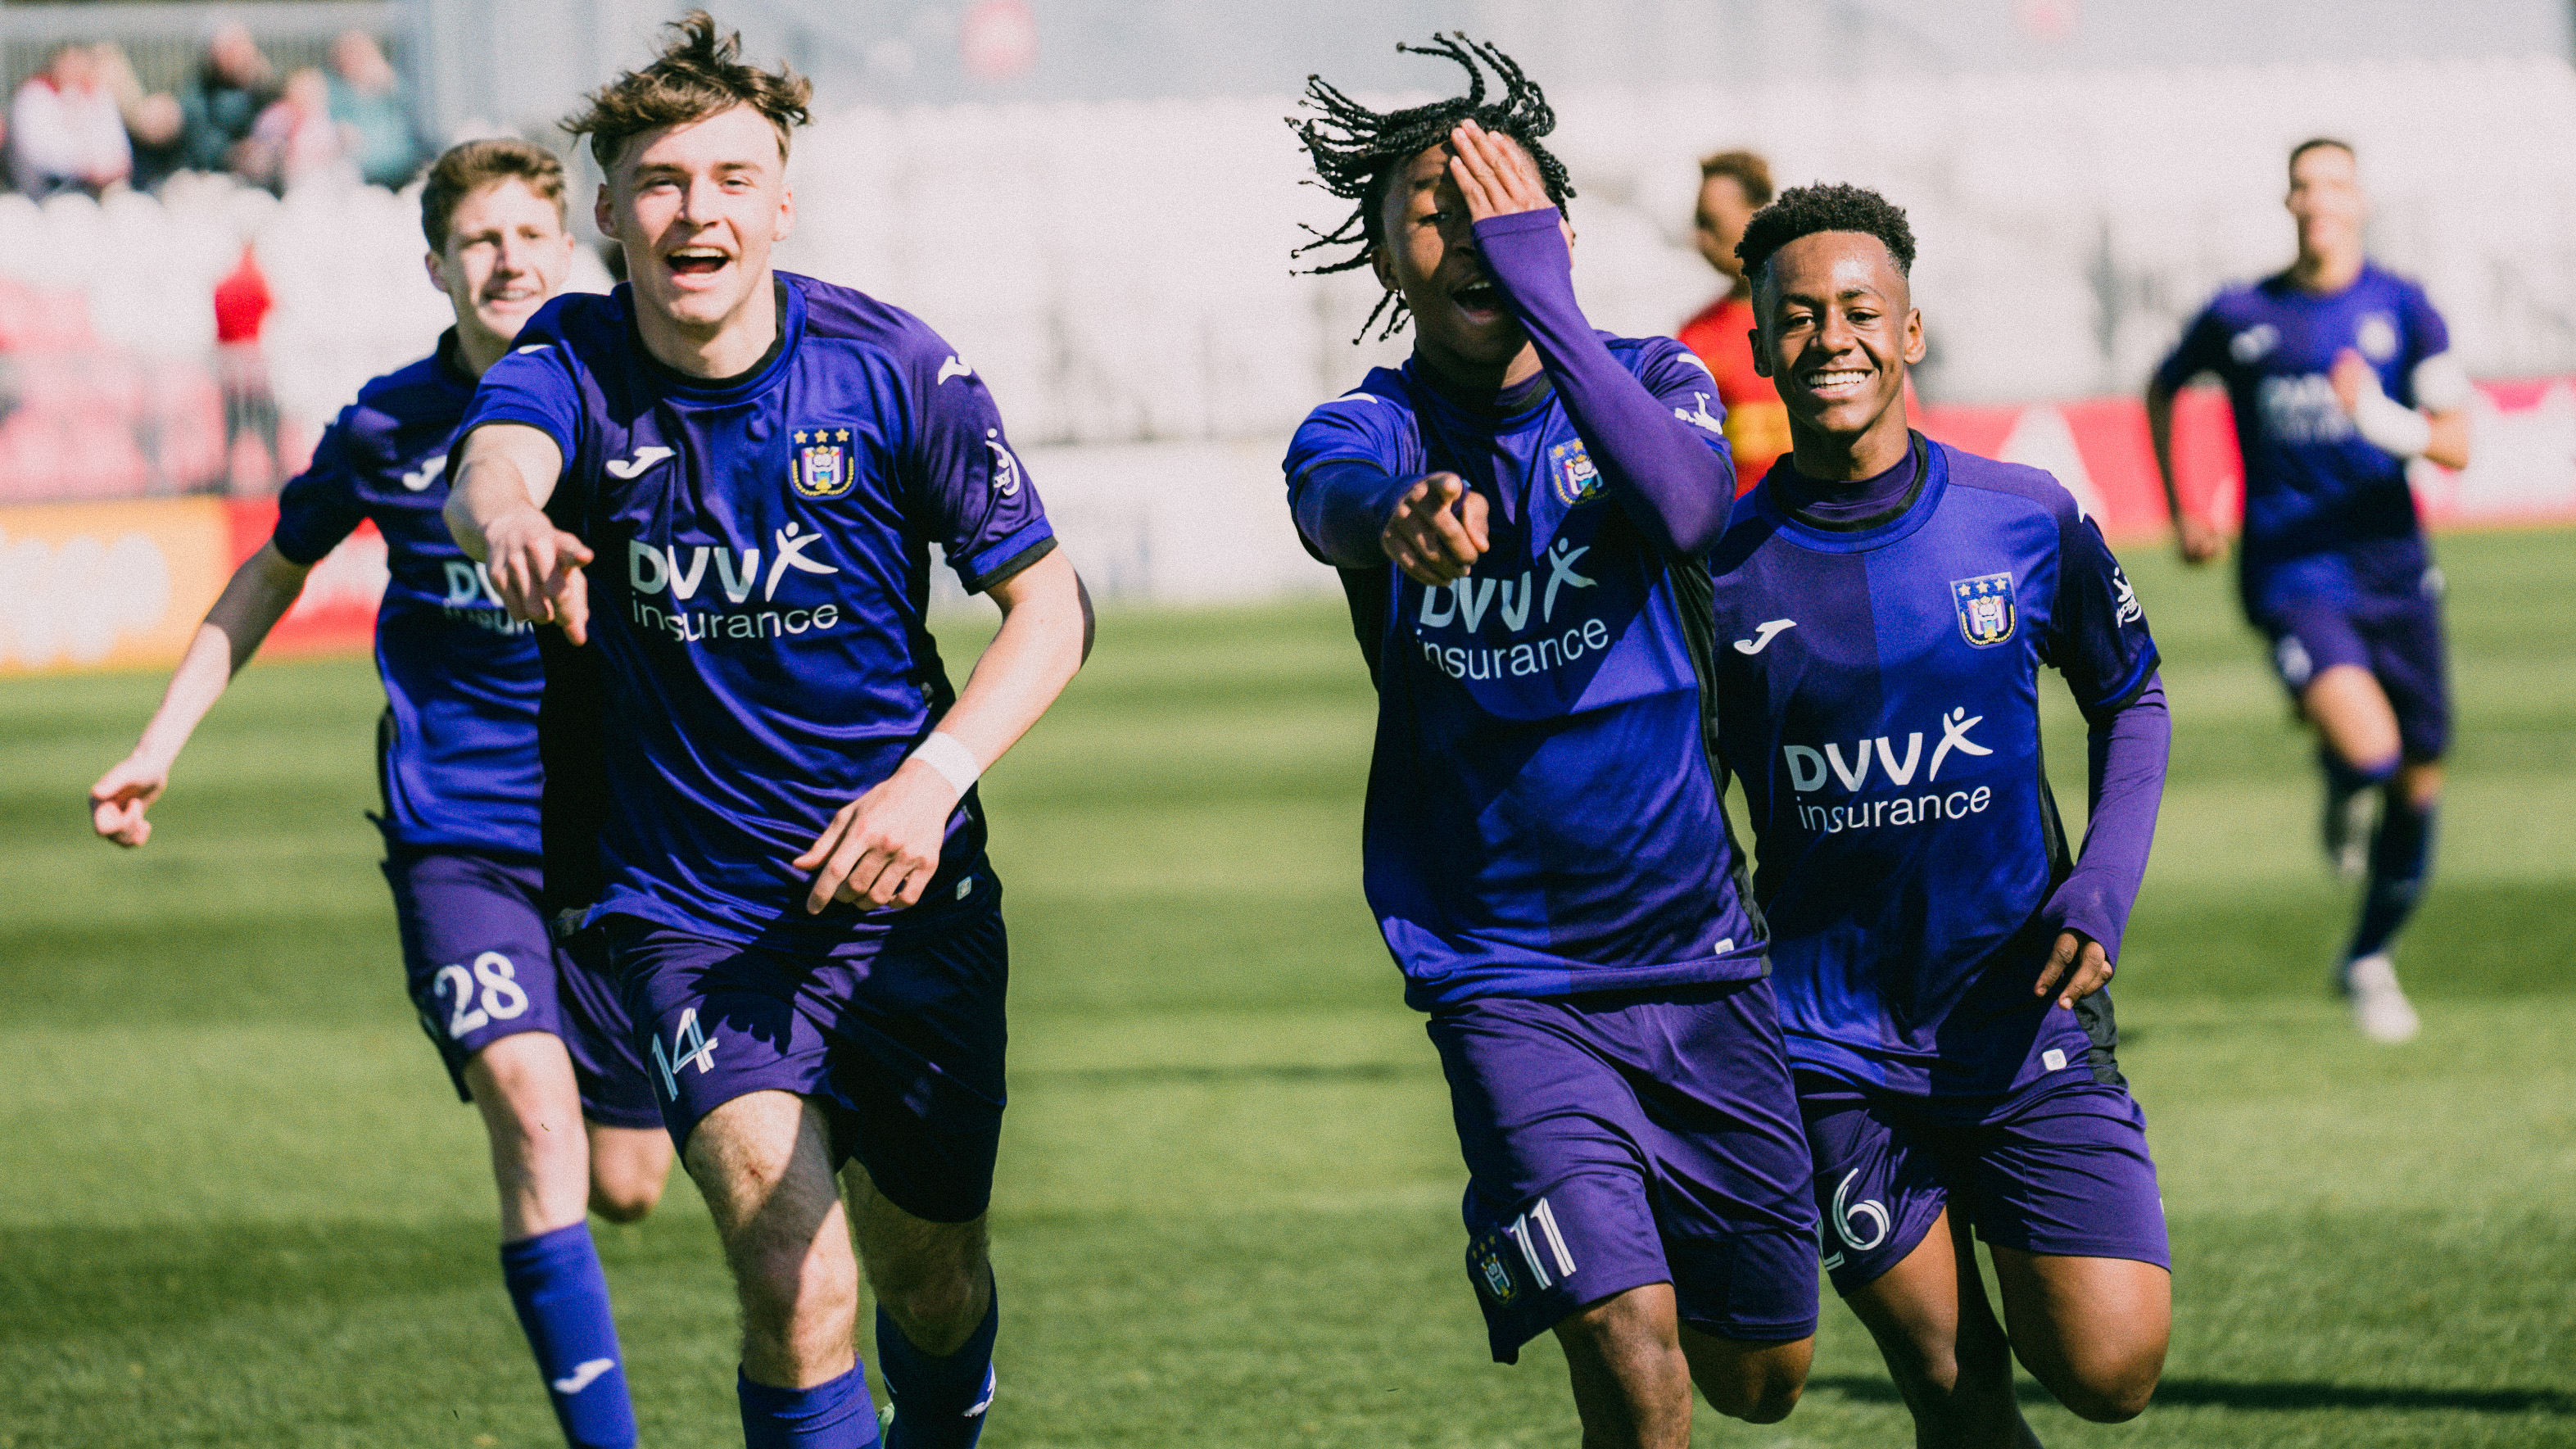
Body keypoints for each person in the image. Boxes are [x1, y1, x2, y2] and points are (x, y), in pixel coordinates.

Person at [444, 15, 1090, 1448]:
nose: (698, 211)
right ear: (608, 211)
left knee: (932, 1278)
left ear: (781, 202)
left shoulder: (891, 366)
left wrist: (930, 783)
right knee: (800, 1280)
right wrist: (507, 518)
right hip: (692, 913)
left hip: (910, 898)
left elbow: (1051, 609)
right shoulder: (577, 355)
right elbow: (496, 456)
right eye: (663, 182)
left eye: (734, 178)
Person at [90, 138, 672, 1449]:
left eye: (531, 233)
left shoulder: (626, 405)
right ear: (437, 265)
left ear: (570, 248)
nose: (509, 259)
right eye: (480, 240)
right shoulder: (386, 424)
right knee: (532, 1117)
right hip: (456, 837)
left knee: (629, 1180)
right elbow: (267, 576)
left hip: (617, 835)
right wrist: (159, 741)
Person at [1283, 37, 1817, 1449]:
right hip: (1501, 968)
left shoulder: (1654, 377)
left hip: (1697, 950)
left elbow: (1690, 508)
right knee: (1629, 1352)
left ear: (1555, 233)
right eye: (1432, 209)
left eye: (1494, 203)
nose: (1465, 232)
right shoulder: (1365, 425)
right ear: (1390, 259)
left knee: (1759, 1373)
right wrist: (1394, 524)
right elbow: (1336, 498)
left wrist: (1552, 298)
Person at [1708, 182, 2173, 1442]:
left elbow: (2131, 698)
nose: (1831, 339)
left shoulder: (2024, 516)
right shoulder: (1718, 571)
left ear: (1911, 331)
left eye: (1860, 310)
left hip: (2020, 1010)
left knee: (2111, 1369)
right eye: (1796, 318)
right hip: (1827, 1046)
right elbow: (1683, 798)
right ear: (1757, 350)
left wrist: (2102, 882)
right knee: (1957, 1389)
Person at [2147, 138, 2470, 1043]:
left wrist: (2382, 418)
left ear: (2359, 199)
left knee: (2418, 777)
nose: (2317, 198)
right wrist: (2184, 505)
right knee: (2372, 750)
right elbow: (2163, 387)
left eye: (2333, 183)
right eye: (2302, 184)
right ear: (2287, 202)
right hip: (2291, 571)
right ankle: (2342, 772)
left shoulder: (2403, 307)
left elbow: (2456, 441)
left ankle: (2368, 956)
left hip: (2394, 570)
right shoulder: (2243, 313)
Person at [1677, 150, 1790, 490]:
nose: (1699, 239)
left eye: (1710, 222)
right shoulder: (1696, 335)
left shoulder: (1824, 320)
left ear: (1759, 215)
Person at [9, 43, 134, 198]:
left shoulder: (98, 93)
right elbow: (36, 152)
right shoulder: (34, 95)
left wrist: (108, 165)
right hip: (51, 185)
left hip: (98, 183)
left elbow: (117, 143)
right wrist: (84, 166)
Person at [179, 22, 277, 179]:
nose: (242, 58)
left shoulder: (261, 90)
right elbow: (203, 145)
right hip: (208, 176)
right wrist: (235, 153)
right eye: (233, 51)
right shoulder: (199, 94)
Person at [328, 29, 423, 188]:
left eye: (359, 54)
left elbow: (411, 107)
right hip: (365, 172)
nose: (353, 61)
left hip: (402, 165)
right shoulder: (338, 94)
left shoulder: (389, 85)